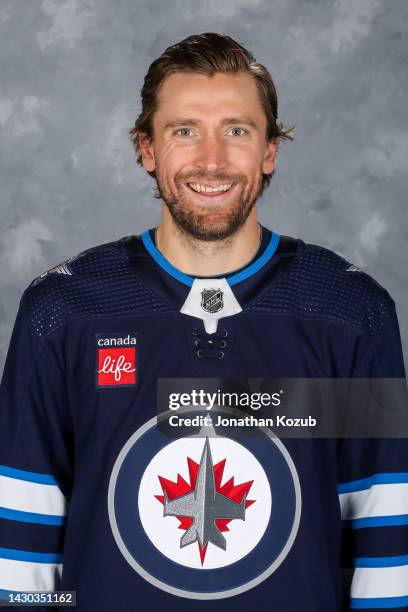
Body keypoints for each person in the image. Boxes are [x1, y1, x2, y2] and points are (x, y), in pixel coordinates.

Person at [0, 32, 407, 612]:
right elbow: (23, 543)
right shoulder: (66, 312)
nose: (211, 160)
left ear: (269, 150)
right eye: (184, 131)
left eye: (237, 131)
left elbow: (381, 533)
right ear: (146, 148)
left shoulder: (347, 311)